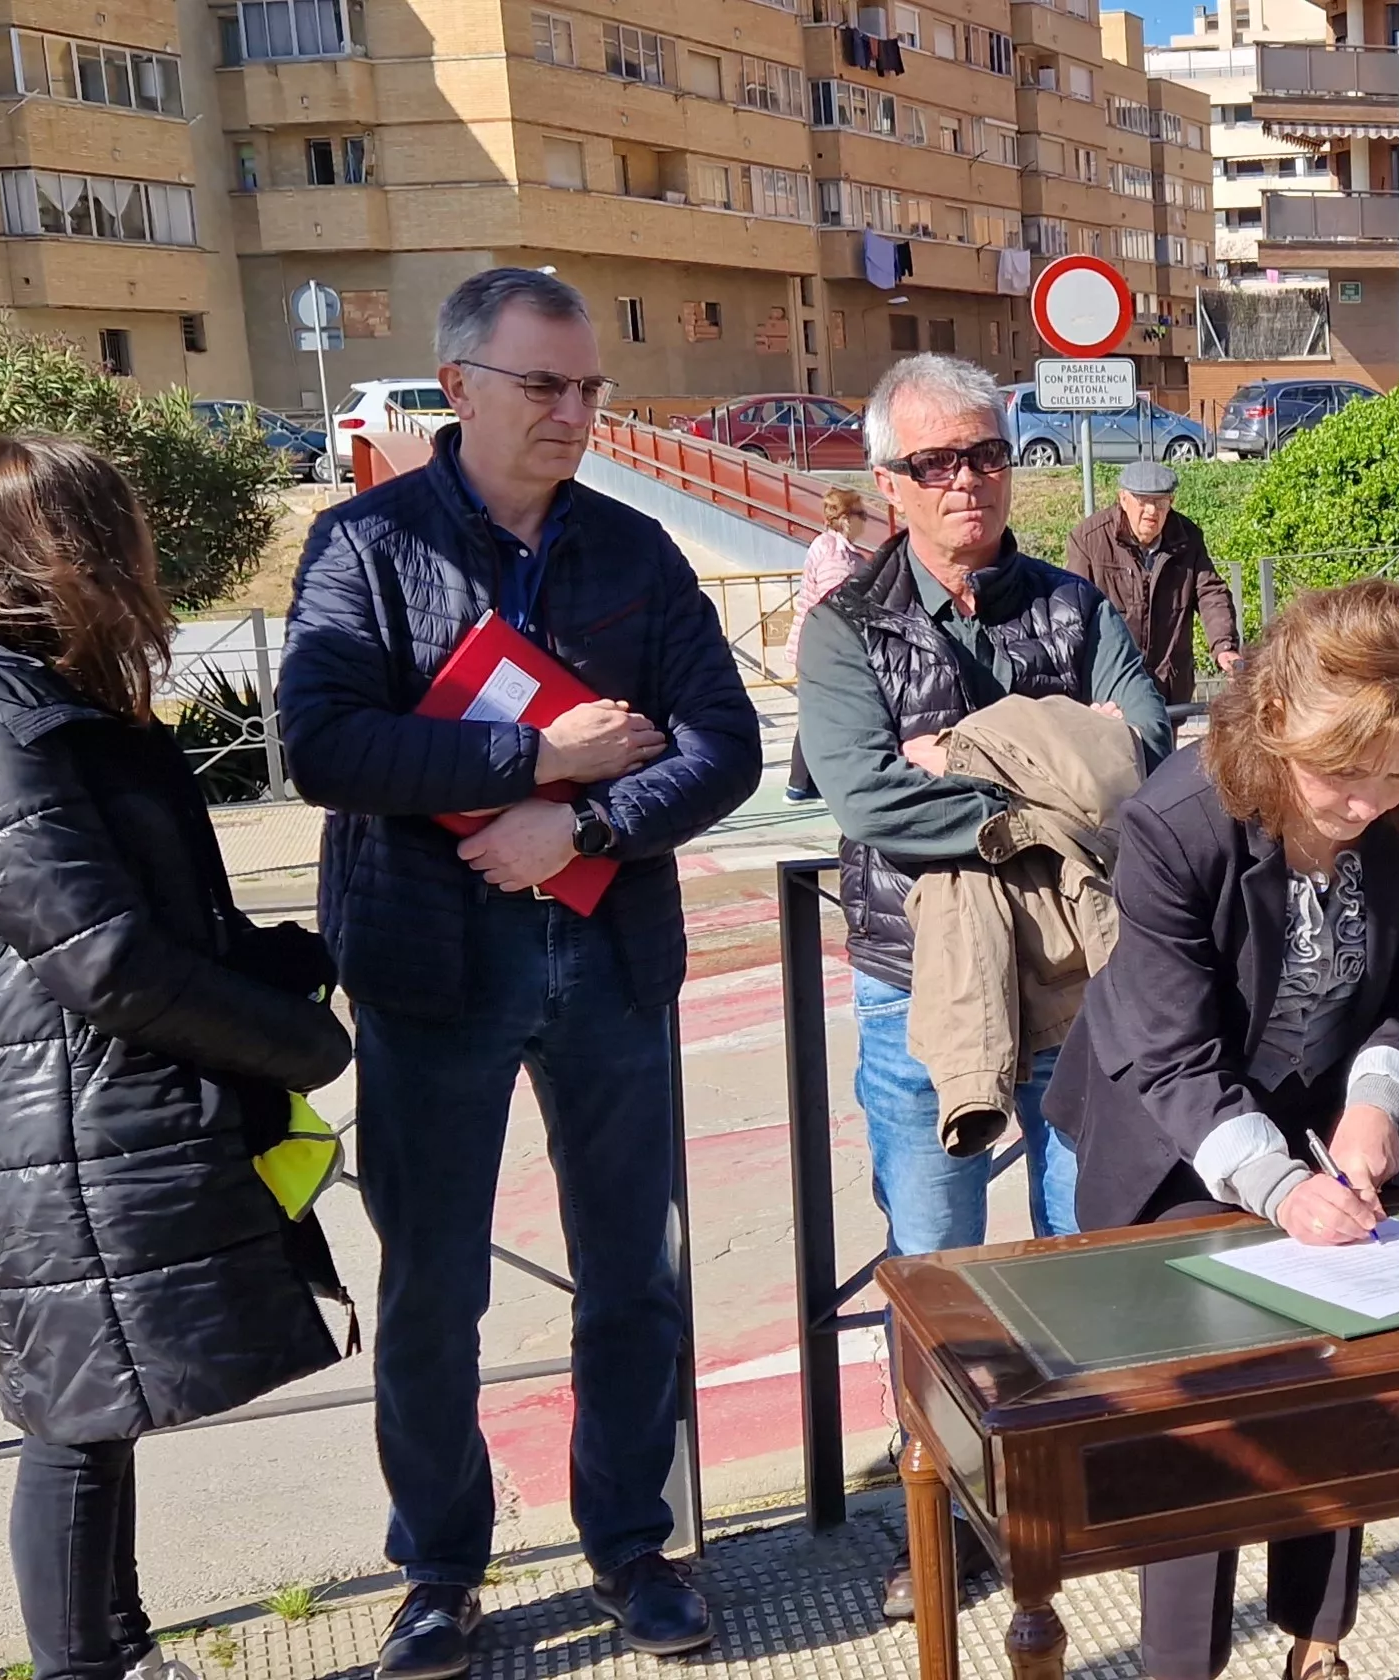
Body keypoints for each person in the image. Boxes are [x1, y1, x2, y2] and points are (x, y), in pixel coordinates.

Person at [280, 269, 763, 1676]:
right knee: (435, 1286)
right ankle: (439, 1568)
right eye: (544, 386)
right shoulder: (363, 544)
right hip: (432, 967)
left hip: (607, 953)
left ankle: (631, 1542)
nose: (573, 413)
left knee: (633, 1274)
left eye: (589, 388)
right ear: (461, 386)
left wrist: (587, 818)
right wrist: (532, 759)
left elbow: (720, 745)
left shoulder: (633, 551)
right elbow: (325, 749)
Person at [0, 435, 356, 1680]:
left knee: (89, 1417)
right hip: (53, 1131)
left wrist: (284, 962)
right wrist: (303, 1044)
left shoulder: (26, 714)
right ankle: (91, 1666)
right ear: (77, 550)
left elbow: (133, 925)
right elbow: (102, 959)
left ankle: (120, 1656)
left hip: (73, 1118)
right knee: (69, 1423)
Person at [791, 352, 1171, 1616]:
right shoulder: (845, 630)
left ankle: (1064, 1490)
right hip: (918, 982)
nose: (966, 482)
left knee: (1081, 1242)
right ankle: (944, 1515)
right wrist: (1033, 803)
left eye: (987, 456)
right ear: (887, 483)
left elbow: (1142, 760)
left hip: (1080, 976)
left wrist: (966, 753)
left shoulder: (1073, 605)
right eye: (935, 463)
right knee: (936, 1261)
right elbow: (863, 794)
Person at [1047, 579, 1399, 1680]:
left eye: (1394, 774)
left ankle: (1317, 1644)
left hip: (1329, 1097)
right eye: (1341, 774)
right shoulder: (1176, 822)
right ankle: (1180, 1664)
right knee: (1207, 1402)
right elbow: (1170, 1055)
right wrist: (1279, 1188)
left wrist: (1380, 1100)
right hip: (1178, 1123)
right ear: (1274, 723)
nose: (1367, 804)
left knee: (1343, 1367)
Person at [1061, 458, 1242, 706]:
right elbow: (1074, 612)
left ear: (1171, 503)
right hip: (1113, 683)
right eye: (1143, 501)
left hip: (1168, 682)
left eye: (1160, 502)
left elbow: (1210, 593)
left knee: (1165, 745)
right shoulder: (1089, 539)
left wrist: (1224, 646)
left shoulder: (1187, 537)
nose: (1151, 511)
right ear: (1123, 499)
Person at [785, 486, 881, 799]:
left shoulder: (829, 547)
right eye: (862, 515)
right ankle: (805, 783)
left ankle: (801, 783)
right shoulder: (834, 555)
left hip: (817, 645)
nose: (865, 522)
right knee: (832, 712)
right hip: (829, 648)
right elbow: (837, 605)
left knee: (820, 711)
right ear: (845, 519)